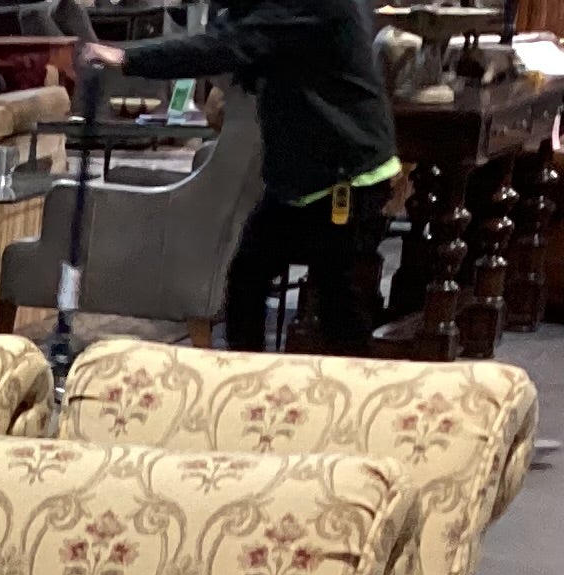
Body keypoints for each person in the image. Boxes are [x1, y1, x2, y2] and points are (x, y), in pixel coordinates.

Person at [83, 0, 400, 353]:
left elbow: (226, 47)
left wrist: (127, 59)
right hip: (305, 179)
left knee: (338, 307)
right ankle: (246, 388)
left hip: (347, 177)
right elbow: (233, 29)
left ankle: (356, 400)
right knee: (248, 282)